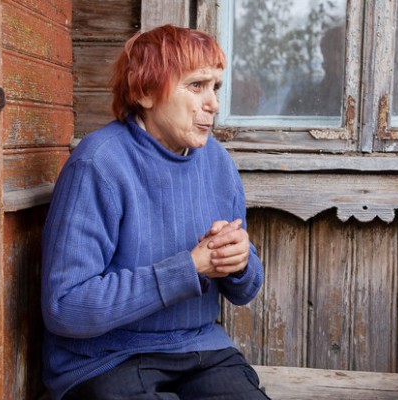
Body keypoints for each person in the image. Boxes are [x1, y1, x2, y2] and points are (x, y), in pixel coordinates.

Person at [40, 25, 269, 400]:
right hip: (106, 358)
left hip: (199, 348)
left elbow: (245, 292)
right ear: (144, 92)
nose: (213, 103)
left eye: (215, 87)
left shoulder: (218, 163)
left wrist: (240, 262)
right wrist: (188, 268)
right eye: (196, 85)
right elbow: (64, 307)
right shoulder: (98, 165)